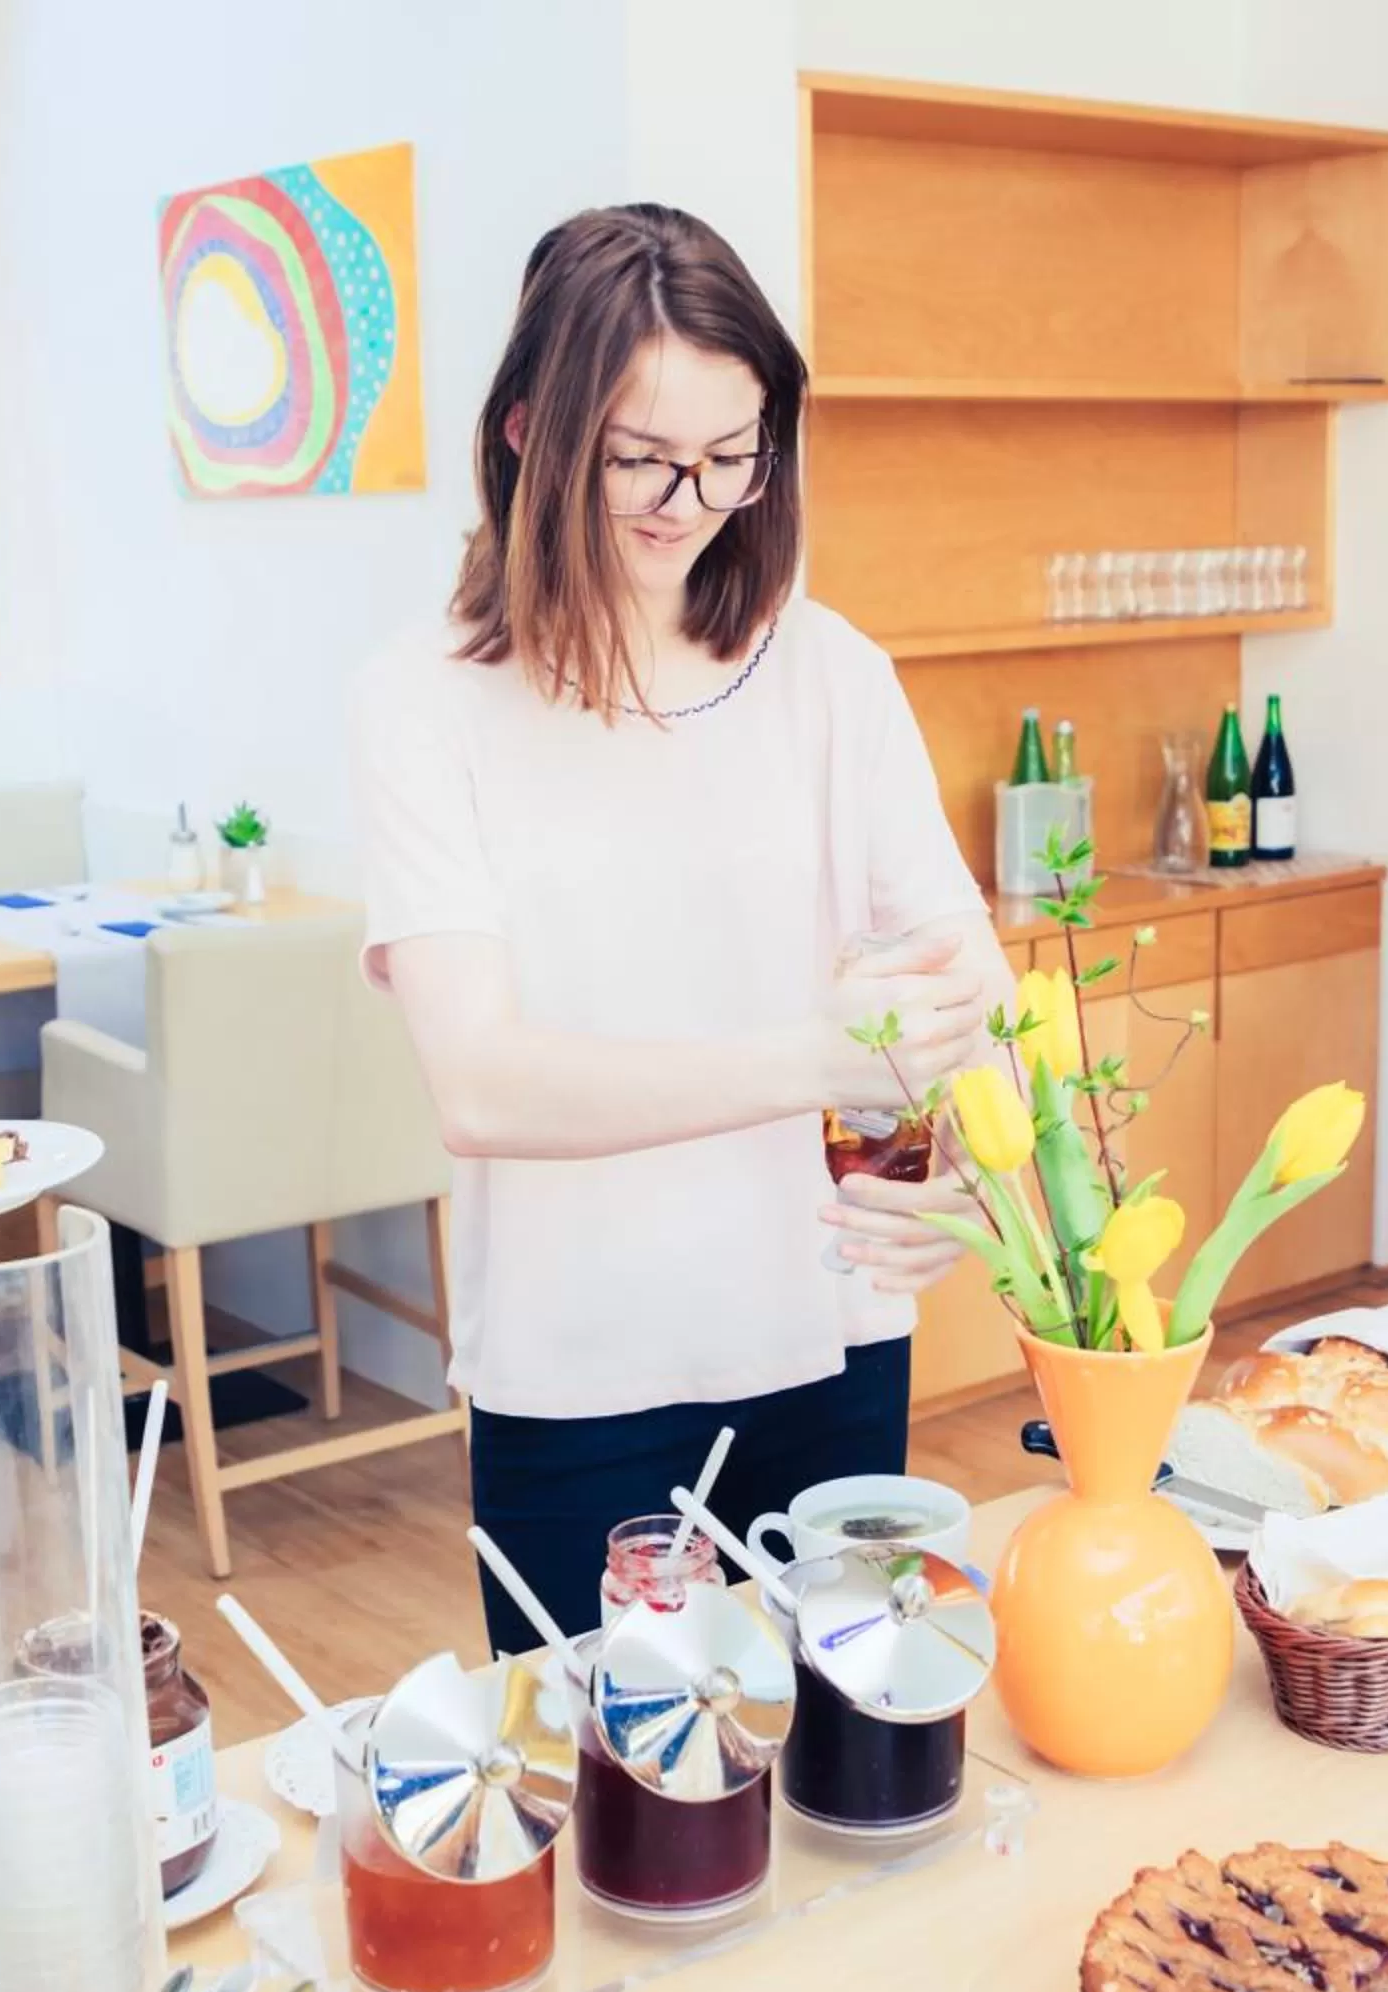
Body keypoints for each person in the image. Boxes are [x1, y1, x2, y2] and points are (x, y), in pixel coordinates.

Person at [352, 204, 1008, 1653]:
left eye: (732, 455)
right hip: (574, 1370)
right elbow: (482, 1083)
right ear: (530, 426)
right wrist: (818, 1061)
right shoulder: (430, 700)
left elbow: (974, 984)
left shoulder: (829, 671)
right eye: (640, 457)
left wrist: (974, 1171)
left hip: (826, 1337)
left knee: (842, 1750)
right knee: (619, 1802)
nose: (687, 499)